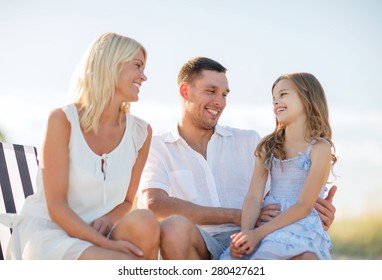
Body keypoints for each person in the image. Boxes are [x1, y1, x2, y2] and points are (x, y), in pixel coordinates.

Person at [137, 57, 337, 260]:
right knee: (173, 228)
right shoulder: (157, 146)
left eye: (224, 94)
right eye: (211, 91)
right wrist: (236, 216)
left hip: (257, 239)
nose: (220, 101)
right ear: (185, 91)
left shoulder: (250, 141)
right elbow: (155, 204)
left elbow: (285, 197)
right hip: (201, 243)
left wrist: (313, 214)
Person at [6, 32, 160, 260]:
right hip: (51, 234)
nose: (144, 76)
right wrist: (104, 244)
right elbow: (56, 206)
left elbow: (128, 201)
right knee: (127, 265)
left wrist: (108, 221)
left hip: (100, 234)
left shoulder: (141, 133)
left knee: (145, 222)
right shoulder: (62, 120)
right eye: (137, 66)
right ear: (111, 65)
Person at [220, 72, 336, 260]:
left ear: (307, 97)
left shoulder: (320, 148)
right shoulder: (268, 146)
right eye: (273, 98)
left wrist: (258, 234)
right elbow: (253, 195)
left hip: (301, 224)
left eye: (283, 94)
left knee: (307, 259)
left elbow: (304, 205)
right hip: (269, 223)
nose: (275, 102)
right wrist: (246, 234)